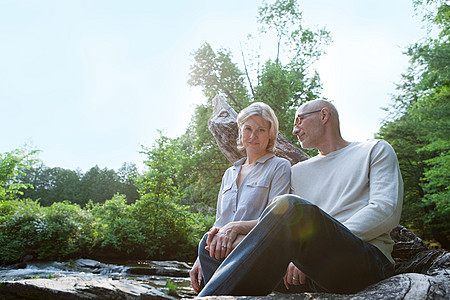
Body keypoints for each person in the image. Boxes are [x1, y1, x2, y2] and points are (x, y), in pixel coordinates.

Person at [198, 99, 403, 296]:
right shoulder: (298, 171)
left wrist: (314, 248)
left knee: (289, 206)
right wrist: (233, 229)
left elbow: (385, 210)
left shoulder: (374, 149)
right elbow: (280, 227)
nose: (295, 130)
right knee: (210, 245)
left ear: (323, 115)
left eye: (299, 120)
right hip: (304, 272)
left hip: (362, 263)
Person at [189, 102, 291, 294]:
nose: (253, 136)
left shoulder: (279, 166)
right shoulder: (229, 173)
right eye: (248, 129)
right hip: (221, 252)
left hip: (254, 251)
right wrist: (200, 258)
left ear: (270, 134)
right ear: (240, 131)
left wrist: (234, 228)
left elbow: (275, 219)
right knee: (207, 245)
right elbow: (220, 221)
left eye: (261, 129)